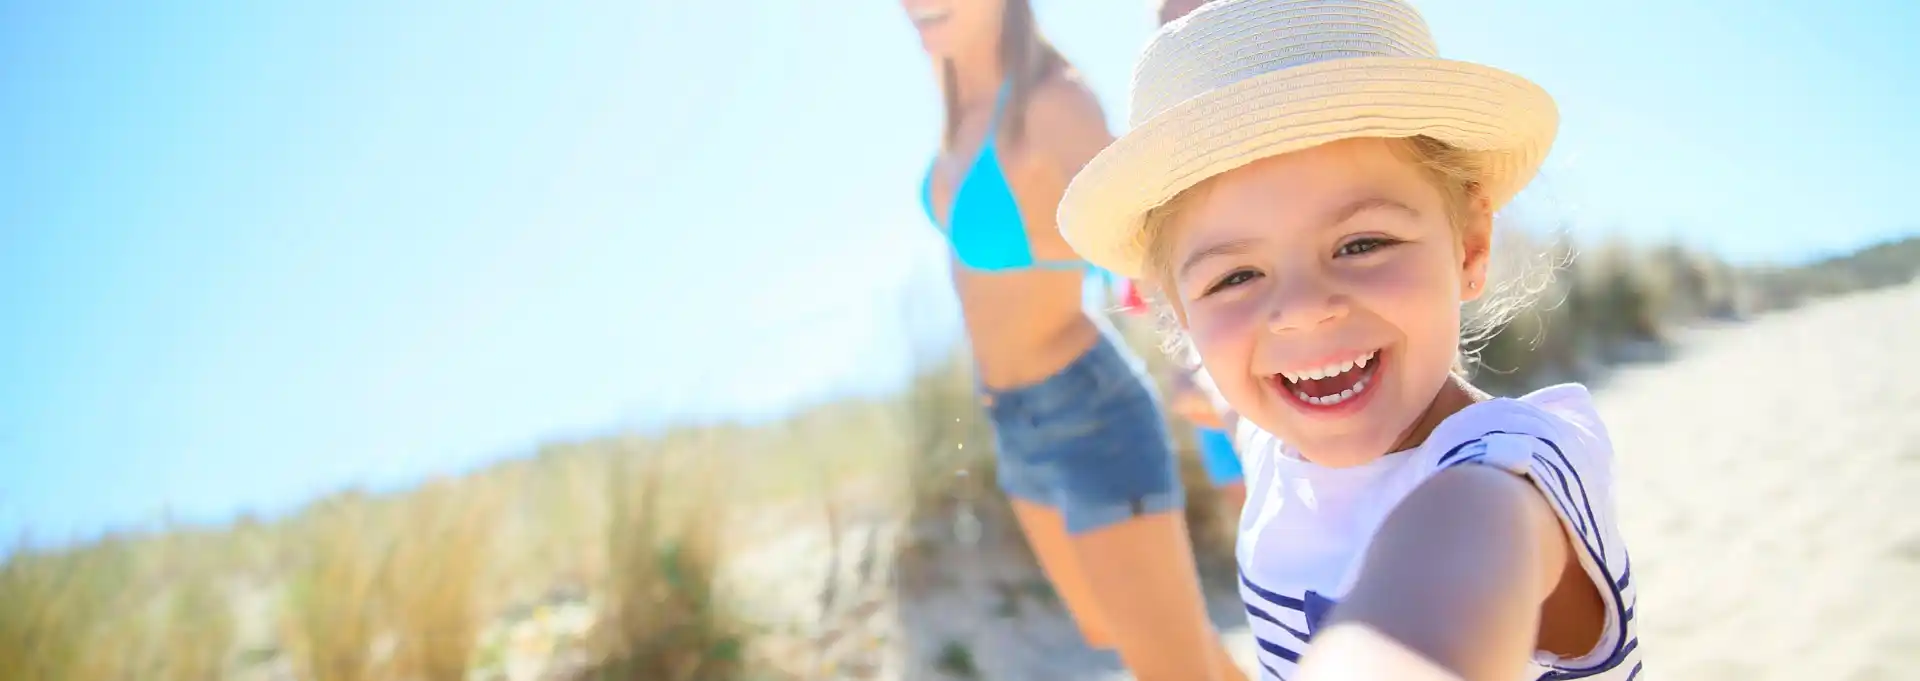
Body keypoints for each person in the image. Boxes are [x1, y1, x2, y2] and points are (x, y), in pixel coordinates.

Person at [1055, 1, 1643, 679]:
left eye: (1361, 244)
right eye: (1235, 277)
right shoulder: (1271, 443)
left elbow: (1437, 596)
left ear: (1471, 244)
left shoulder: (1502, 479)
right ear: (1182, 312)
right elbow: (1228, 406)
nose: (1303, 312)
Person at [899, 2, 1246, 680]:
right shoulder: (961, 111)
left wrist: (1203, 365)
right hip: (1012, 417)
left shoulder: (1051, 101)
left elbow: (1148, 240)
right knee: (1122, 630)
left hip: (1086, 408)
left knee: (1165, 660)